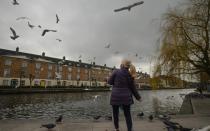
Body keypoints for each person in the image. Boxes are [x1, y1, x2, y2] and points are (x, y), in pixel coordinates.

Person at [108, 59, 141, 131]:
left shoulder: (116, 71)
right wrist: (138, 97)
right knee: (127, 115)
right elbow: (133, 88)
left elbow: (110, 82)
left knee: (115, 114)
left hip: (115, 97)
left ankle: (116, 129)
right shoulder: (130, 74)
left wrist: (114, 81)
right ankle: (129, 129)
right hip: (126, 98)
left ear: (122, 64)